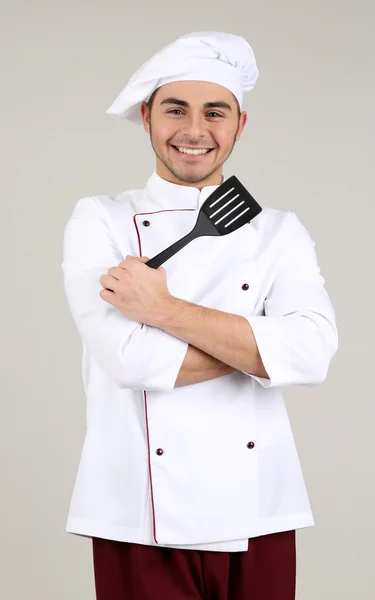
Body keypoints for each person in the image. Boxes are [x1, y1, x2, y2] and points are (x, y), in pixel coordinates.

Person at [61, 31, 338, 600]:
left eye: (215, 112)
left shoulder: (279, 231)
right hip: (139, 514)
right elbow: (133, 360)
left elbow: (313, 353)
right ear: (146, 118)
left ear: (240, 124)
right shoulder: (101, 221)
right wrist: (264, 349)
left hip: (258, 507)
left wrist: (161, 308)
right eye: (175, 109)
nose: (194, 130)